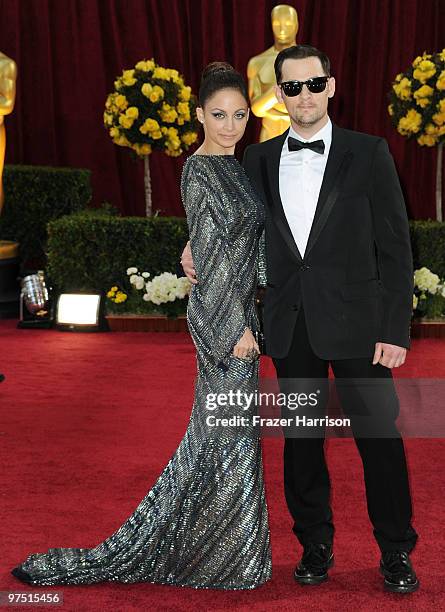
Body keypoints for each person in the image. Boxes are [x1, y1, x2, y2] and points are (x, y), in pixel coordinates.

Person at [11, 62, 272, 590]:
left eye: (239, 115)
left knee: (219, 438)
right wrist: (232, 329)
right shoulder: (200, 169)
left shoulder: (235, 165)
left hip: (242, 314)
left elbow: (238, 244)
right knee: (227, 436)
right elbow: (216, 256)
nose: (229, 125)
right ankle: (223, 558)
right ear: (199, 115)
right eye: (218, 115)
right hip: (224, 324)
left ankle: (221, 552)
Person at [181, 44, 419, 594]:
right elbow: (231, 226)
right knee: (302, 442)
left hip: (361, 326)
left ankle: (395, 551)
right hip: (292, 324)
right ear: (280, 94)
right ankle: (314, 544)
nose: (304, 96)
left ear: (331, 86)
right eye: (291, 88)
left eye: (313, 85)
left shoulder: (370, 152)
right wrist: (188, 246)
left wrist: (394, 330)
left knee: (379, 440)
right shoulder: (259, 159)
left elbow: (396, 247)